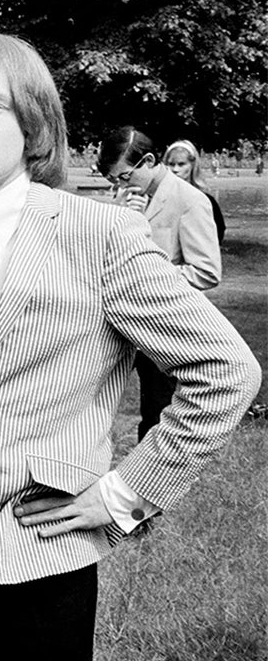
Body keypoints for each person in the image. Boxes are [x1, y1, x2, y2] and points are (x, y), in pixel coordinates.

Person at [0, 31, 261, 661]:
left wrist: (126, 495)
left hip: (41, 535)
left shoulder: (102, 234)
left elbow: (226, 371)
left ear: (34, 125)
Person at [98, 127, 223, 439]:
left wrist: (151, 276)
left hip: (162, 324)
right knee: (91, 400)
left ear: (149, 161)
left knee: (155, 413)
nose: (120, 185)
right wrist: (120, 214)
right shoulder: (124, 196)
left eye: (124, 176)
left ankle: (148, 482)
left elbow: (206, 271)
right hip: (115, 321)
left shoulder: (191, 201)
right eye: (114, 180)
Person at [163, 138, 225, 242]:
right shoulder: (159, 199)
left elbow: (218, 233)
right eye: (171, 164)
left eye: (181, 164)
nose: (175, 170)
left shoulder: (205, 200)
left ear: (192, 165)